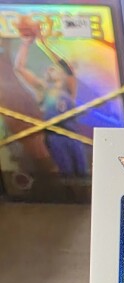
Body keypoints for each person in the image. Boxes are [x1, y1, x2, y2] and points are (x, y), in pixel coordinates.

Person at [13, 28, 87, 176]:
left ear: (61, 74)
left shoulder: (69, 89)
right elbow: (19, 68)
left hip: (73, 135)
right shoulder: (42, 89)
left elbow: (66, 67)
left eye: (52, 68)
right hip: (55, 136)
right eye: (48, 69)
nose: (49, 70)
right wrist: (25, 44)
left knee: (82, 174)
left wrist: (44, 45)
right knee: (66, 174)